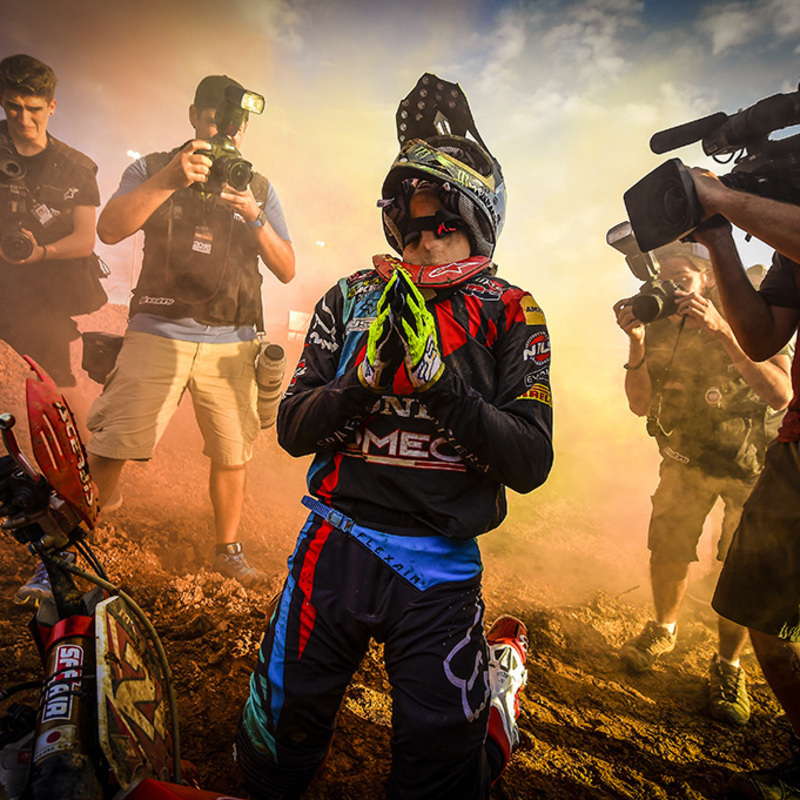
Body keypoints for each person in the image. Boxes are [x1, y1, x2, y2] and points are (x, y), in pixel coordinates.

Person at [233, 73, 553, 799]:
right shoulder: (353, 296)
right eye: (411, 228)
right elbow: (291, 429)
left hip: (438, 568)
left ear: (479, 224)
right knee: (268, 765)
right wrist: (363, 381)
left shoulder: (512, 310)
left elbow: (531, 460)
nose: (425, 242)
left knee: (441, 783)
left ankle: (496, 703)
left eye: (443, 226)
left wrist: (441, 386)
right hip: (332, 546)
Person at [85, 74, 295, 588]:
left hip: (233, 338)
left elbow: (287, 268)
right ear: (194, 117)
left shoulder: (257, 186)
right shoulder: (153, 167)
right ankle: (76, 546)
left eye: (235, 126)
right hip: (158, 327)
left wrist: (254, 216)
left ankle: (228, 550)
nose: (226, 133)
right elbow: (109, 229)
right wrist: (170, 180)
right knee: (112, 442)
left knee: (232, 453)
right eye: (215, 121)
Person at [613, 241, 791, 727]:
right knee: (668, 547)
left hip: (751, 463)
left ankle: (728, 665)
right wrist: (637, 341)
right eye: (665, 281)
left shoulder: (750, 317)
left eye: (682, 281)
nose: (672, 291)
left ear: (708, 279)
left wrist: (723, 331)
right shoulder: (660, 326)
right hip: (685, 457)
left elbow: (781, 393)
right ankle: (663, 628)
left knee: (738, 567)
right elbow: (639, 404)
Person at [683, 164, 800, 797]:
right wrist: (716, 231)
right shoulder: (787, 243)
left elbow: (769, 379)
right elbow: (760, 335)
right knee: (761, 615)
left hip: (766, 447)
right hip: (796, 450)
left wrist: (723, 195)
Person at [1, 54, 107, 607]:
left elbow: (87, 239)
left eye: (33, 109)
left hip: (41, 292)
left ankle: (83, 479)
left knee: (56, 386)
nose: (23, 119)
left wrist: (37, 251)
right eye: (13, 107)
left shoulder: (75, 166)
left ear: (52, 106)